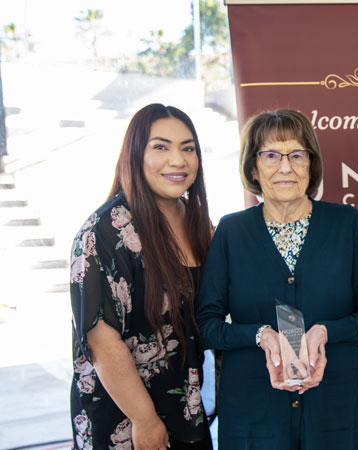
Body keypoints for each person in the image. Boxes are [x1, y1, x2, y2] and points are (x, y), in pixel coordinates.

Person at [195, 109, 358, 449]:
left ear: (311, 164)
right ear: (253, 167)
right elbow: (207, 325)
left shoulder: (344, 223)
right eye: (271, 155)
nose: (285, 167)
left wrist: (326, 331)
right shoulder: (231, 231)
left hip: (332, 408)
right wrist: (261, 335)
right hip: (253, 411)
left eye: (297, 155)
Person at [69, 104, 213, 450]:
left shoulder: (199, 224)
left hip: (185, 408)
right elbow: (102, 343)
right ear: (135, 154)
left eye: (188, 148)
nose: (178, 161)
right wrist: (144, 420)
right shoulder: (104, 231)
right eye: (161, 147)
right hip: (125, 418)